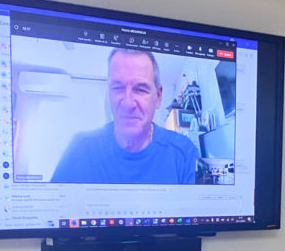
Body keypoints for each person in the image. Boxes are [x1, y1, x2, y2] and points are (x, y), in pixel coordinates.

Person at [51, 49, 198, 184]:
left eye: (140, 89)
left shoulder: (184, 153)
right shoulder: (80, 150)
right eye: (118, 88)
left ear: (158, 97)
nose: (128, 103)